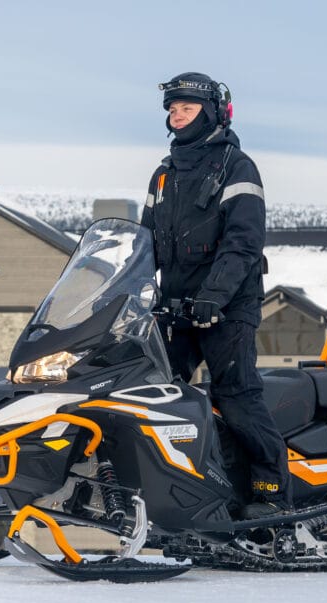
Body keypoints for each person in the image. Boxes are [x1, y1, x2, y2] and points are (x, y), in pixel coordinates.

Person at [140, 72, 290, 518]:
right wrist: (129, 291)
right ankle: (177, 488)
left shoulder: (236, 166)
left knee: (236, 395)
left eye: (186, 108)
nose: (177, 116)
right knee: (151, 391)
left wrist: (214, 296)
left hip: (227, 308)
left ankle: (272, 492)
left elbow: (244, 241)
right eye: (172, 109)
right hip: (175, 308)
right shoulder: (164, 175)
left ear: (210, 114)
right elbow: (143, 244)